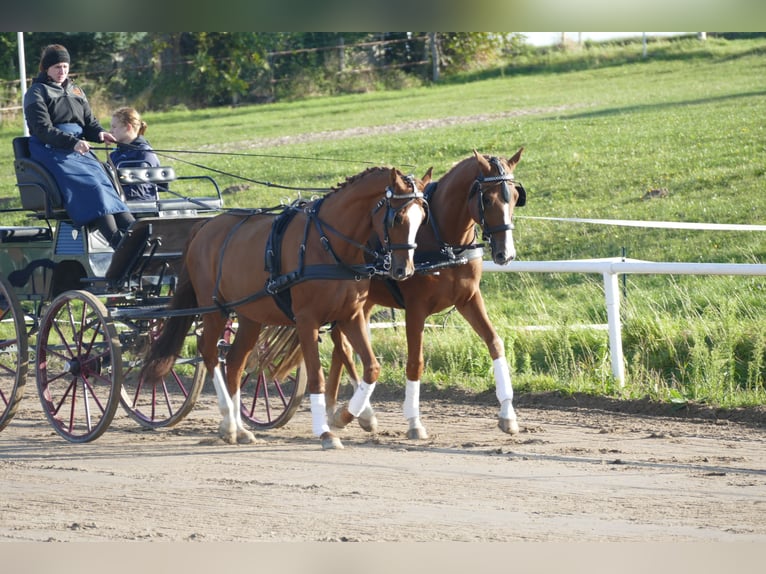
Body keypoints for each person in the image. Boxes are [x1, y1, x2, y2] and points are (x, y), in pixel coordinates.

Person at [23, 43, 134, 249]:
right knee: (92, 186)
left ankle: (133, 232)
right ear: (46, 68)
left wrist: (100, 134)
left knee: (105, 182)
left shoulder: (76, 90)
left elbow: (89, 123)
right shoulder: (36, 92)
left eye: (65, 66)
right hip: (52, 151)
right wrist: (72, 143)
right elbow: (42, 129)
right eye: (57, 67)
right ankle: (116, 241)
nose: (62, 71)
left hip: (78, 150)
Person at [109, 106, 163, 201]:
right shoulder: (113, 155)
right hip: (118, 204)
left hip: (141, 206)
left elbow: (140, 189)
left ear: (128, 127)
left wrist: (113, 198)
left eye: (114, 127)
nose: (110, 131)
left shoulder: (144, 153)